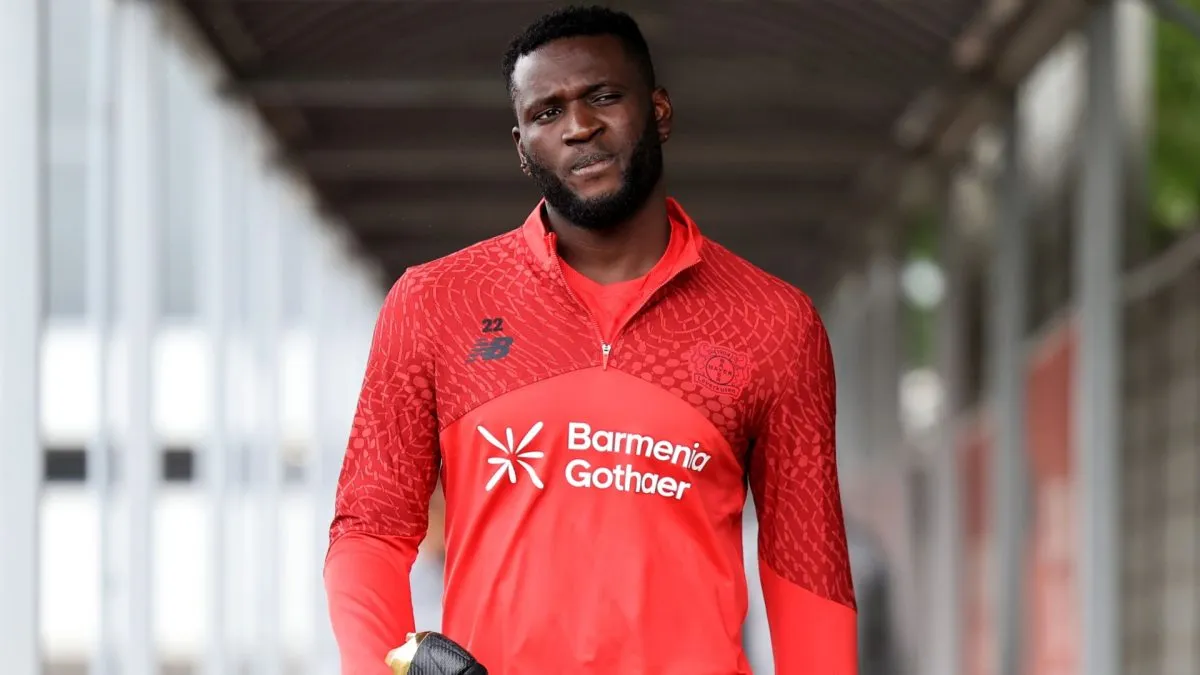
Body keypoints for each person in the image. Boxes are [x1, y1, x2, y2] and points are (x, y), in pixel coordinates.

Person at [323, 5, 857, 674]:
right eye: (547, 113)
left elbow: (807, 566)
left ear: (659, 111)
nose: (579, 127)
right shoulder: (436, 302)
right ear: (521, 146)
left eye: (604, 96)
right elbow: (370, 527)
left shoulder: (772, 320)